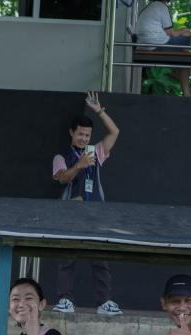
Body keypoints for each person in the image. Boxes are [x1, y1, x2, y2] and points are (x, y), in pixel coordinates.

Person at [51, 91, 123, 317]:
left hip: (96, 213)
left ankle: (104, 301)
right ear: (72, 133)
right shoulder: (61, 156)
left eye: (87, 135)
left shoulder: (96, 151)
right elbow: (62, 178)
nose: (84, 138)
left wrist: (98, 110)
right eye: (80, 134)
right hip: (70, 211)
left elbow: (114, 132)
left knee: (100, 257)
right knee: (67, 258)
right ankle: (65, 300)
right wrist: (79, 165)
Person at [136, 0, 191, 97]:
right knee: (186, 53)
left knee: (184, 44)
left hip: (143, 46)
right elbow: (172, 33)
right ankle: (186, 91)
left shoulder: (151, 7)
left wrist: (186, 31)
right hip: (155, 46)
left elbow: (170, 32)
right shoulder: (161, 7)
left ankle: (180, 73)